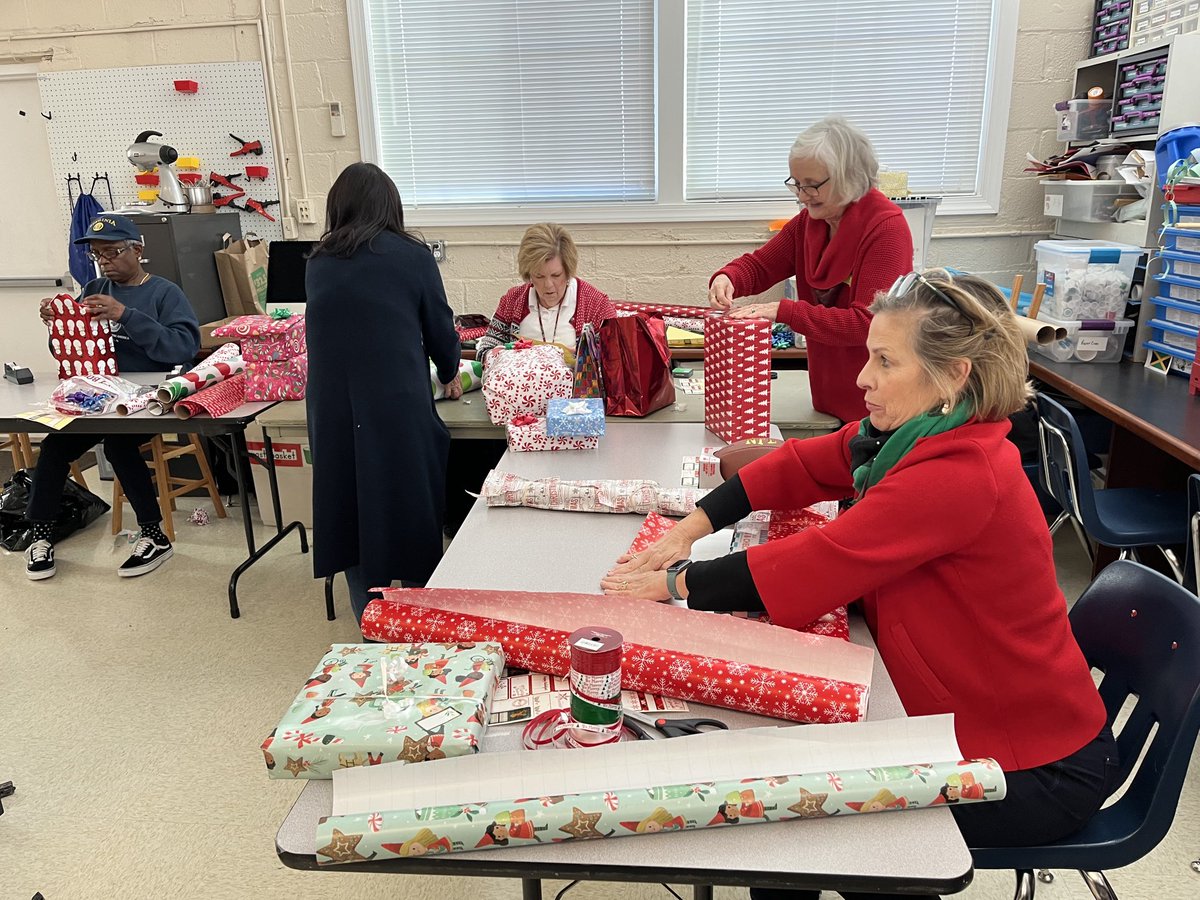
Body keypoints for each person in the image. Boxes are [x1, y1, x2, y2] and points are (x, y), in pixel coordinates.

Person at [604, 271, 1117, 900]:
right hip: (968, 718)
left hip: (1031, 764)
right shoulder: (903, 437)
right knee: (792, 803)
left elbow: (820, 561)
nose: (860, 378)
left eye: (883, 361)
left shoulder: (962, 471)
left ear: (953, 375)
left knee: (801, 820)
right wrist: (692, 526)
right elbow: (800, 464)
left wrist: (673, 586)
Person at [305, 162, 463, 627]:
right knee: (412, 503)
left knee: (350, 509)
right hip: (397, 408)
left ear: (339, 206)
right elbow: (440, 328)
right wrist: (451, 371)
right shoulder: (412, 256)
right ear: (389, 205)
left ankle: (371, 625)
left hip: (333, 412)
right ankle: (420, 619)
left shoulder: (318, 262)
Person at [25, 214, 201, 581]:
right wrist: (58, 321)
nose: (104, 261)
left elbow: (184, 346)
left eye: (112, 252)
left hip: (147, 398)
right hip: (97, 397)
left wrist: (126, 315)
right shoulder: (92, 289)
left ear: (137, 249)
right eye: (97, 255)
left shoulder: (164, 293)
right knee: (56, 447)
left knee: (120, 446)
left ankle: (154, 536)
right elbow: (69, 350)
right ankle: (40, 533)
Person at [708, 116, 913, 423]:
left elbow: (867, 324)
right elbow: (761, 266)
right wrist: (729, 277)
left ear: (848, 177)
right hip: (829, 393)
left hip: (877, 403)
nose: (802, 195)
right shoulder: (811, 222)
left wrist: (784, 311)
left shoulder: (886, 230)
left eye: (812, 185)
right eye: (796, 184)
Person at [474, 223, 616, 359]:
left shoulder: (597, 305)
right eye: (539, 276)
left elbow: (614, 359)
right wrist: (505, 354)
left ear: (568, 271)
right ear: (528, 274)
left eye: (556, 275)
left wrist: (583, 358)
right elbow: (485, 350)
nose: (548, 285)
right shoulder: (512, 300)